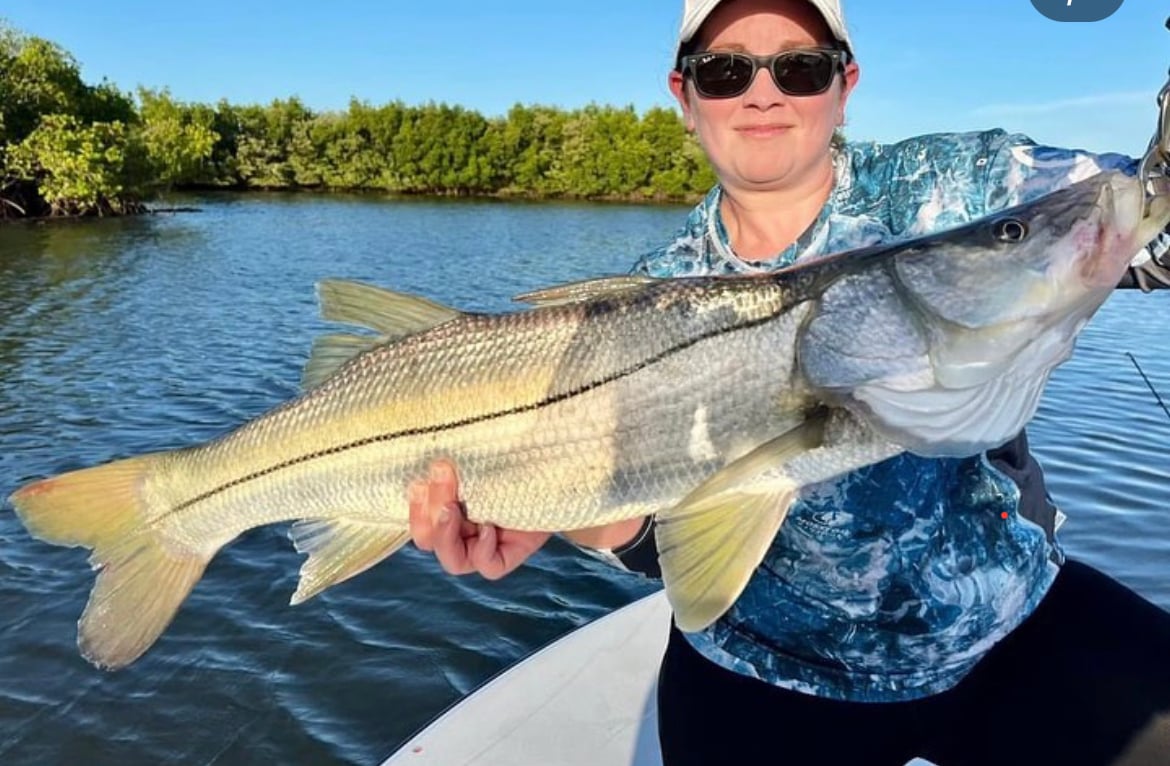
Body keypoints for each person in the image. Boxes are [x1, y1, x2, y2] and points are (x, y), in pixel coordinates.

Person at [408, 1, 1170, 763]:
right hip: (765, 678)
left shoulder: (958, 187)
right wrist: (578, 516)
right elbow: (665, 541)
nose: (762, 93)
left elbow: (1140, 213)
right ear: (685, 96)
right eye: (725, 70)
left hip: (1013, 626)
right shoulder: (646, 302)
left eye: (800, 68)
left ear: (845, 85)